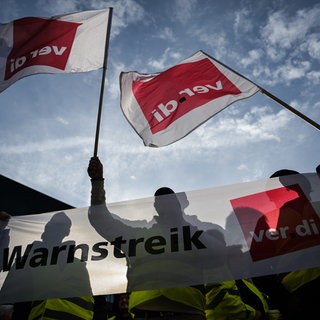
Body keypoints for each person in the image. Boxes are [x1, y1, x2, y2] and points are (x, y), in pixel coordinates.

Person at [87, 156, 228, 319]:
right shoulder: (138, 236)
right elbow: (101, 220)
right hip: (145, 312)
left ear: (178, 205)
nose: (166, 203)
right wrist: (97, 182)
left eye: (170, 200)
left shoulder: (194, 234)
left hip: (189, 312)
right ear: (155, 207)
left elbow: (221, 254)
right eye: (161, 200)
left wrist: (185, 227)